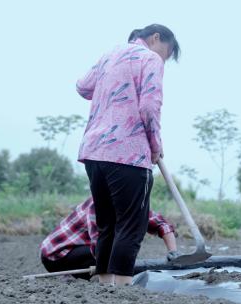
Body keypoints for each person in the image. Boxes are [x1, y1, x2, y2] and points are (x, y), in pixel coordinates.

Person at [76, 24, 180, 286]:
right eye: (166, 53)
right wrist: (155, 145)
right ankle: (122, 291)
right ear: (156, 38)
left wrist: (111, 85)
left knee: (107, 225)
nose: (164, 59)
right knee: (131, 225)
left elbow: (82, 87)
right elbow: (149, 105)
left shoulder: (110, 54)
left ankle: (104, 287)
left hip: (94, 151)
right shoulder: (150, 59)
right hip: (128, 153)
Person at [39, 197, 179, 280]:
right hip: (57, 255)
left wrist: (173, 254)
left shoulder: (132, 204)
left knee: (119, 257)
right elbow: (99, 243)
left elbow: (161, 224)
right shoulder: (99, 204)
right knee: (113, 258)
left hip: (86, 250)